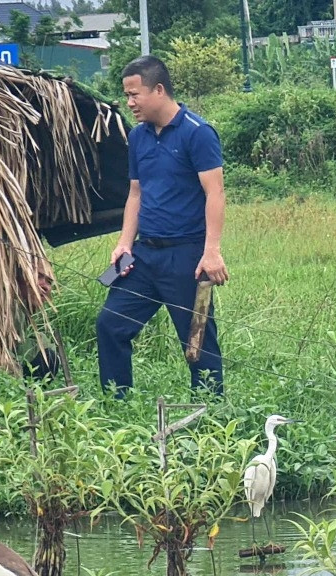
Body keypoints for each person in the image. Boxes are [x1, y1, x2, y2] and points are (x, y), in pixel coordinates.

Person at [97, 55, 229, 396]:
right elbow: (136, 194)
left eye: (134, 94)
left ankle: (211, 415)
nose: (129, 103)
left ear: (158, 90)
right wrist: (125, 243)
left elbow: (215, 193)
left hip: (186, 256)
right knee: (111, 325)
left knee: (197, 339)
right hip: (144, 255)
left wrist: (211, 252)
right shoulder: (138, 137)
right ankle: (116, 402)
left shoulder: (197, 134)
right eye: (126, 95)